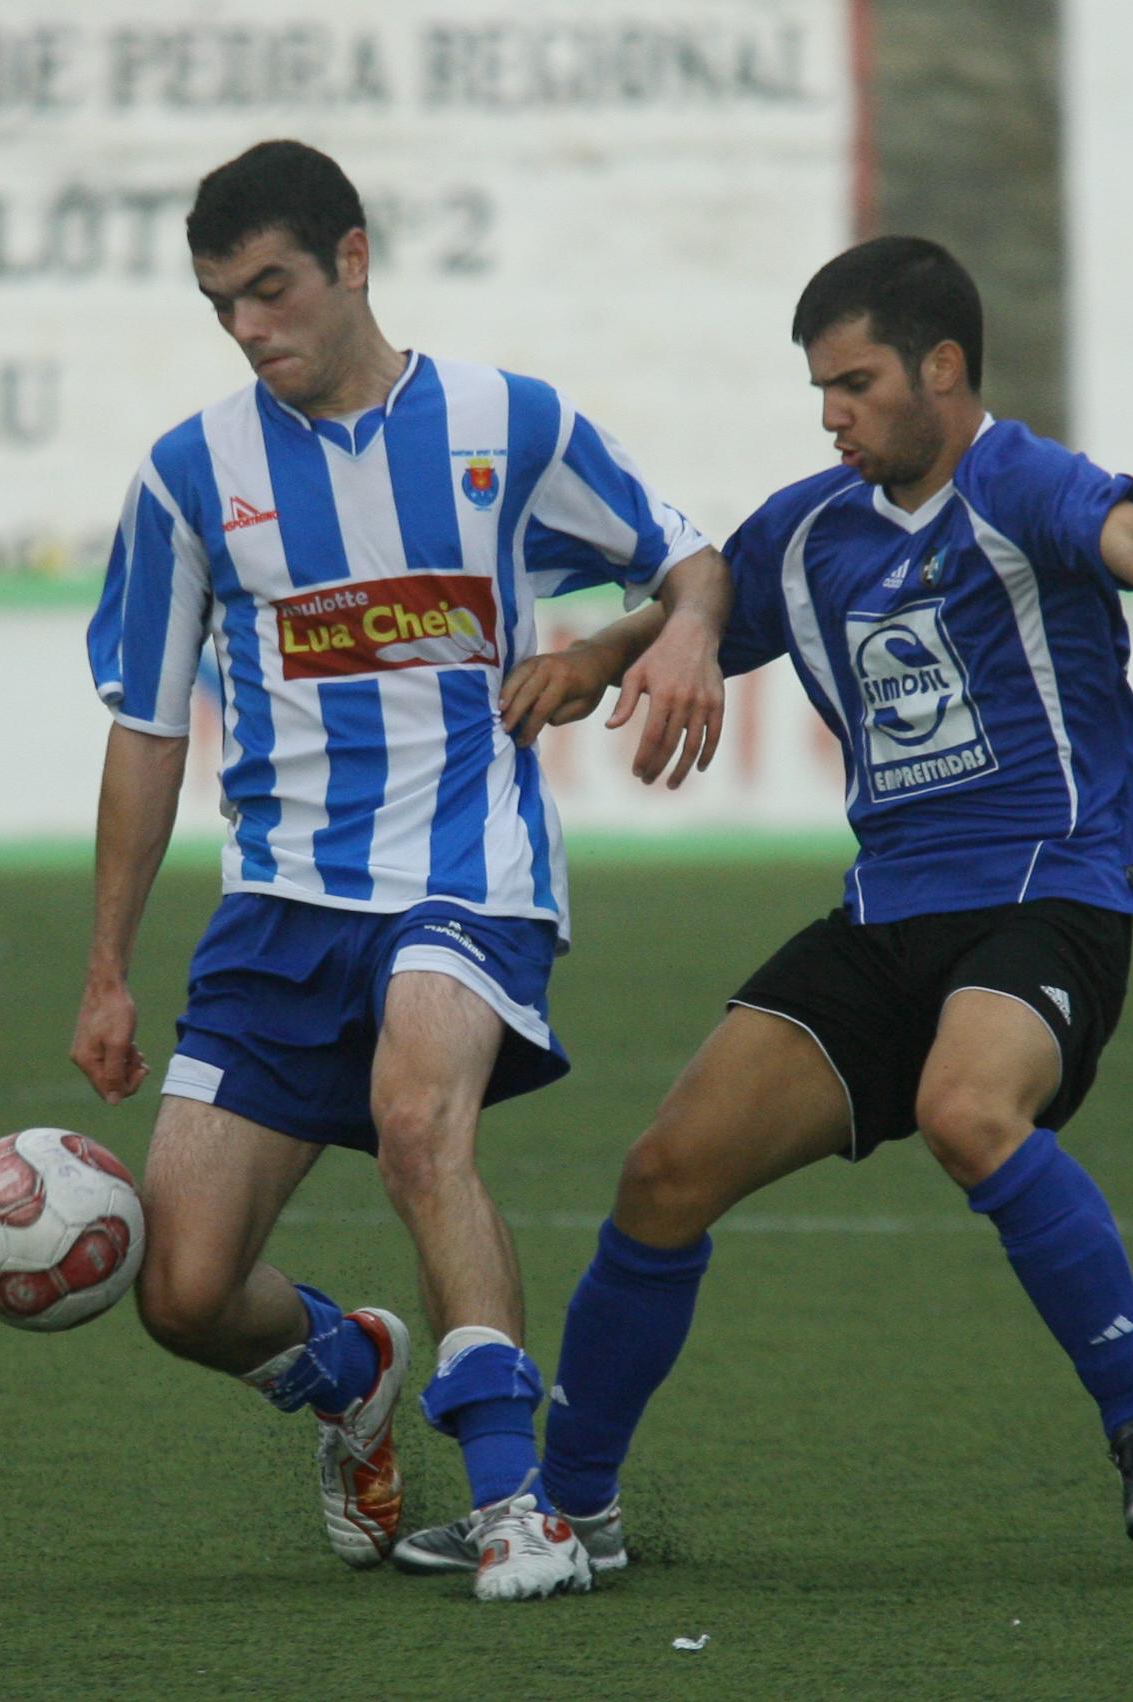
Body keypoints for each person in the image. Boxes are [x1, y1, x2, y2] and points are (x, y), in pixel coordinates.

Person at [392, 234, 1133, 1576]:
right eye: (819, 389)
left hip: (1046, 890)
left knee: (966, 1111)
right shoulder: (811, 529)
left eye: (854, 384)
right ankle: (572, 1510)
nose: (832, 415)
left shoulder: (1017, 482)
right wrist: (605, 656)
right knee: (663, 1175)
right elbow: (703, 597)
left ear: (943, 367)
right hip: (886, 916)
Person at [71, 139, 732, 1602]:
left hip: (463, 870)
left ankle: (515, 1504)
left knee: (419, 1124)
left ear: (353, 260)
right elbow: (146, 727)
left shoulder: (508, 422)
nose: (248, 327)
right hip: (280, 902)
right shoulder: (188, 476)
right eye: (221, 304)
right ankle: (349, 1366)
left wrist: (667, 636)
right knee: (181, 1290)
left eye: (272, 288)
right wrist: (108, 968)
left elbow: (688, 561)